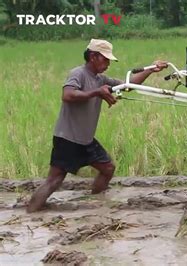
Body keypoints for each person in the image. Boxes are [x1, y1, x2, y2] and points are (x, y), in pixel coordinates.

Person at [26, 39, 168, 212]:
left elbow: (127, 86)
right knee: (54, 180)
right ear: (93, 56)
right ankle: (31, 213)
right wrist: (96, 92)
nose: (108, 63)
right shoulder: (78, 73)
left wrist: (151, 69)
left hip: (85, 139)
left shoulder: (101, 79)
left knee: (108, 168)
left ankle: (95, 205)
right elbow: (68, 95)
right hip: (68, 138)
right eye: (105, 59)